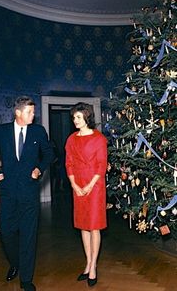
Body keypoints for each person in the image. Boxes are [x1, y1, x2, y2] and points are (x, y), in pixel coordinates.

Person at [0, 96, 54, 291]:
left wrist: (39, 169)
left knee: (29, 236)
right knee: (6, 233)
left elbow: (49, 153)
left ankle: (26, 279)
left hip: (30, 193)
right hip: (7, 193)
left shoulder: (38, 132)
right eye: (30, 112)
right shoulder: (2, 131)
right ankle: (15, 262)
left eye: (33, 111)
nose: (34, 115)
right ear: (18, 113)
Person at [65, 102, 107, 287]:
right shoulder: (71, 139)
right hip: (78, 185)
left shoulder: (99, 139)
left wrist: (90, 185)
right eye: (74, 117)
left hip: (95, 185)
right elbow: (69, 163)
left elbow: (101, 165)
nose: (75, 120)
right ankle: (88, 262)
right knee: (83, 225)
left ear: (87, 117)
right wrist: (74, 184)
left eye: (78, 117)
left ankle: (93, 267)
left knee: (94, 226)